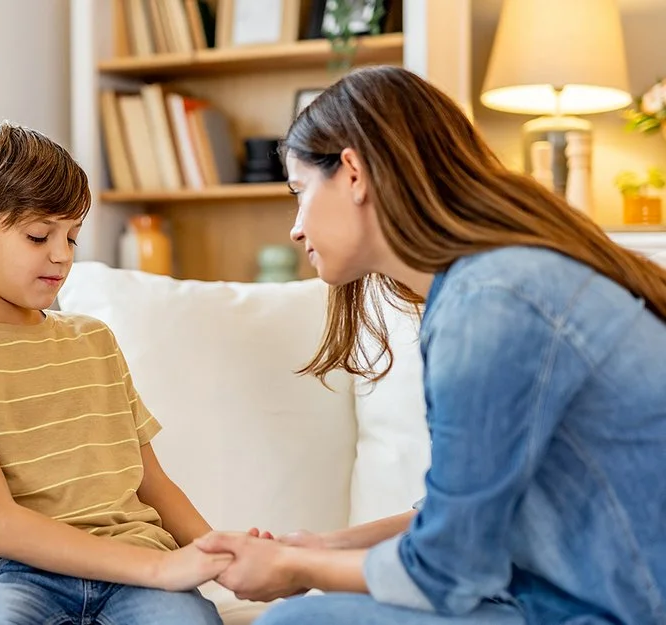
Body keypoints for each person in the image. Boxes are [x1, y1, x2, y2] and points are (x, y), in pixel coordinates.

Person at [194, 65, 666, 625]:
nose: (296, 228)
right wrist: (320, 548)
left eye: (300, 192)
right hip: (563, 589)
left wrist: (297, 570)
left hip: (618, 609)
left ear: (353, 173)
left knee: (297, 623)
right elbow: (460, 514)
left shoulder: (494, 301)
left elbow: (450, 567)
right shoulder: (493, 283)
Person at [0, 122, 229, 625]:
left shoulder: (93, 339)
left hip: (135, 569)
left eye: (72, 235)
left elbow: (153, 483)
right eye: (38, 236)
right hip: (18, 574)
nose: (63, 255)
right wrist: (161, 567)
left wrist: (221, 556)